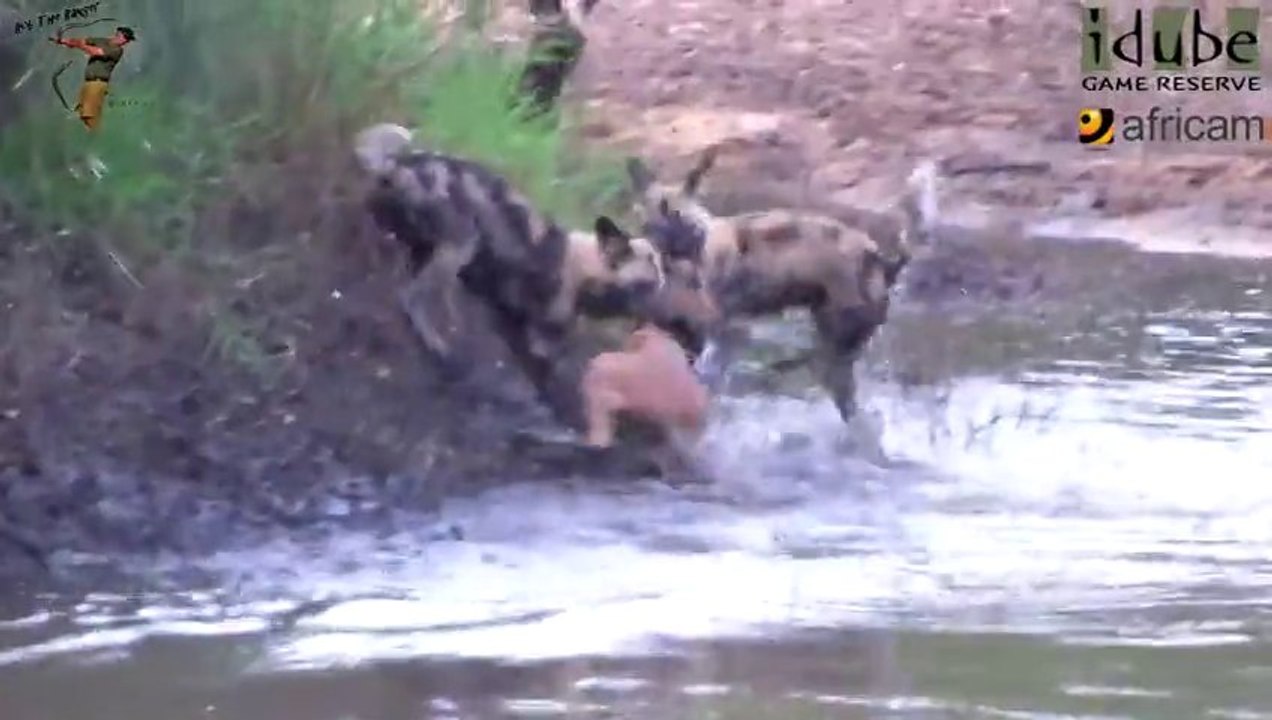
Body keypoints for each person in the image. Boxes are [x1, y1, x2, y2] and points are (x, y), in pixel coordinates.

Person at [48, 25, 136, 131]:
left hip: (98, 84)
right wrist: (62, 41)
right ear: (118, 35)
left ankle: (95, 136)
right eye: (125, 38)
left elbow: (95, 52)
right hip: (89, 83)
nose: (126, 42)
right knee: (82, 113)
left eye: (127, 40)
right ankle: (90, 136)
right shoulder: (102, 41)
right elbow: (82, 41)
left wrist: (80, 45)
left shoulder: (117, 50)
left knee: (90, 116)